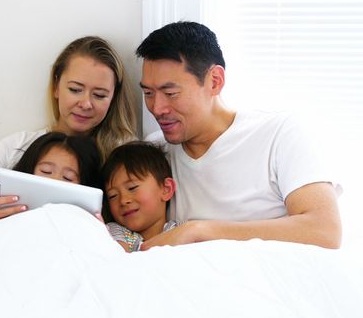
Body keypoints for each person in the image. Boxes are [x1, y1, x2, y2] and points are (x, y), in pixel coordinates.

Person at [136, 21, 342, 249]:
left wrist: (199, 231)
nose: (157, 108)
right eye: (148, 93)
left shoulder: (279, 134)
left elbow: (324, 231)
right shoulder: (153, 152)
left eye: (170, 93)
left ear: (215, 81)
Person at [0, 36, 137, 237]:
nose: (85, 104)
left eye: (99, 95)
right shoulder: (16, 146)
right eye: (75, 89)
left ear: (113, 97)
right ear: (56, 86)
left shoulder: (121, 157)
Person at [101, 141, 178, 252]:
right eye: (113, 196)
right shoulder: (115, 231)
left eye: (132, 188)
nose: (123, 200)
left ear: (166, 189)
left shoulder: (179, 230)